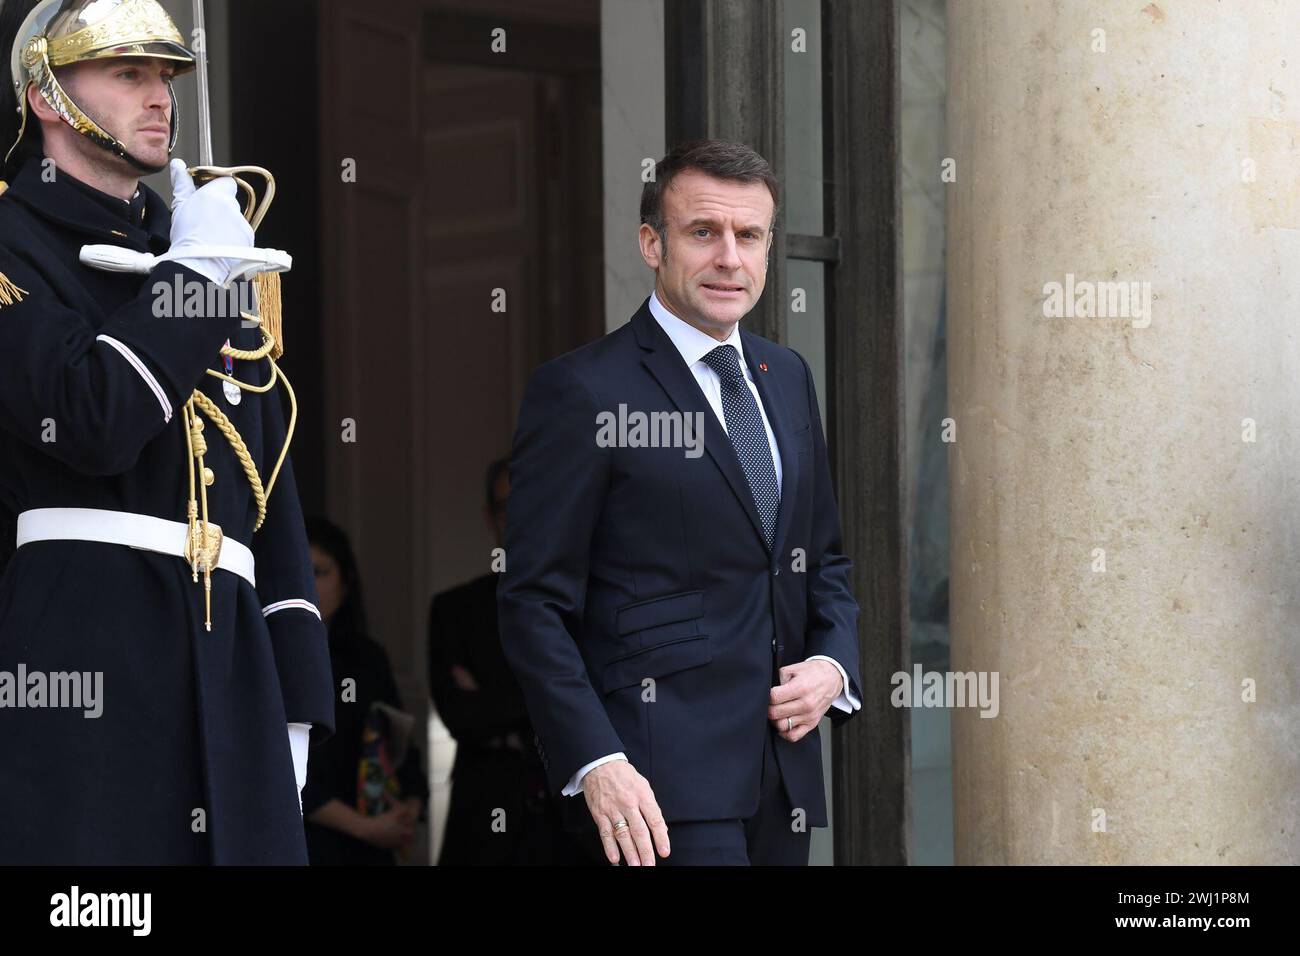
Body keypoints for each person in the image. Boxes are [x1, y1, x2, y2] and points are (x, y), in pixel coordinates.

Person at [0, 0, 333, 864]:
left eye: (167, 76)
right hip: (86, 645)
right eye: (128, 73)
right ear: (46, 93)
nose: (160, 98)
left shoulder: (203, 244)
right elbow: (91, 418)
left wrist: (295, 689)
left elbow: (268, 480)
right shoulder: (13, 238)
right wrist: (192, 280)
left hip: (232, 666)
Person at [499, 139, 863, 866]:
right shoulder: (584, 391)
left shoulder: (786, 376)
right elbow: (533, 602)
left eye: (749, 235)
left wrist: (833, 664)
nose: (730, 257)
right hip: (654, 790)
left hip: (782, 776)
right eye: (704, 232)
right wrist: (594, 761)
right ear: (651, 243)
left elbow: (821, 559)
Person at [429, 458, 593, 865]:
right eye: (507, 506)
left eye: (530, 502)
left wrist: (495, 700)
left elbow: (599, 702)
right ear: (490, 517)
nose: (519, 517)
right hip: (485, 813)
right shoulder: (455, 609)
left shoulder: (587, 604)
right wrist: (549, 699)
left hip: (571, 822)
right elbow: (460, 716)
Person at [301, 516, 428, 865]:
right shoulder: (273, 660)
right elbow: (284, 769)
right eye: (300, 570)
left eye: (319, 572)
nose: (306, 583)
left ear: (346, 583)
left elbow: (400, 744)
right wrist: (364, 828)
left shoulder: (368, 658)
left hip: (372, 842)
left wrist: (409, 808)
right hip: (308, 841)